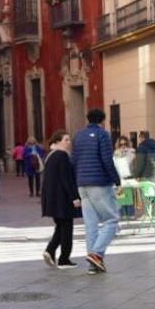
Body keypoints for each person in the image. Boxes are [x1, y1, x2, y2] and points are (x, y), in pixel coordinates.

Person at [72, 109, 122, 274]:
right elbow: (107, 159)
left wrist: (76, 184)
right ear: (103, 120)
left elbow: (74, 160)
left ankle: (93, 264)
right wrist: (117, 180)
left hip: (82, 184)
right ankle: (96, 254)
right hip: (99, 183)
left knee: (90, 224)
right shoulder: (103, 135)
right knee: (112, 220)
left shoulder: (78, 136)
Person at [40, 130, 81, 269]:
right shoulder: (62, 156)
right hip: (63, 199)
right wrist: (74, 197)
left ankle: (50, 251)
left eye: (69, 140)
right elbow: (66, 179)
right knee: (67, 228)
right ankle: (64, 258)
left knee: (60, 227)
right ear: (57, 142)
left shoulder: (50, 156)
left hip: (52, 198)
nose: (69, 142)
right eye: (66, 140)